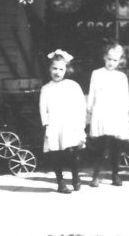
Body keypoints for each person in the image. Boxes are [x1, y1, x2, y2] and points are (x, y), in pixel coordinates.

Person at [87, 41, 129, 187]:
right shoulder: (96, 74)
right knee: (100, 147)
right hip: (101, 114)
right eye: (109, 59)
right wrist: (90, 110)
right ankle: (96, 175)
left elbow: (125, 98)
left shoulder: (121, 77)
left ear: (120, 61)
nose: (111, 63)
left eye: (115, 60)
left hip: (116, 115)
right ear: (104, 58)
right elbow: (92, 94)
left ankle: (115, 174)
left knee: (116, 147)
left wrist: (125, 114)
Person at [39, 49, 87, 194]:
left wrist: (80, 124)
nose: (57, 72)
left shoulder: (72, 86)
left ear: (66, 70)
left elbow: (81, 105)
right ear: (49, 69)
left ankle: (75, 175)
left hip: (70, 125)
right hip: (54, 126)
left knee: (73, 153)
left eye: (61, 69)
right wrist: (46, 125)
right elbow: (43, 108)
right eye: (54, 68)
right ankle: (60, 182)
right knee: (56, 154)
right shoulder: (46, 89)